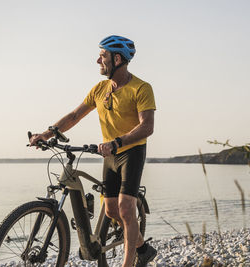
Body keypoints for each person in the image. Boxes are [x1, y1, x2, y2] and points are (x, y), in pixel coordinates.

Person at [29, 35, 157, 267]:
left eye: (103, 56)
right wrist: (47, 134)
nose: (98, 61)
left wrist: (118, 142)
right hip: (109, 155)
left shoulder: (141, 88)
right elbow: (75, 115)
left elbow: (147, 126)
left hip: (131, 153)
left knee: (126, 209)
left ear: (117, 58)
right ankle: (143, 248)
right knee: (111, 211)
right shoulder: (99, 89)